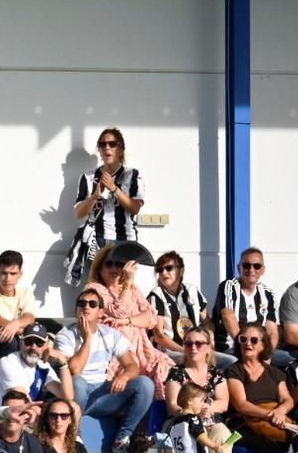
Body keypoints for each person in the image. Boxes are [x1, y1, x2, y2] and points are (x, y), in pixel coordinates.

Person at [55, 287, 153, 453]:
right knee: (77, 382)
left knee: (145, 384)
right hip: (77, 396)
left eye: (92, 304)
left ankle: (122, 439)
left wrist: (124, 376)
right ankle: (74, 437)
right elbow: (74, 370)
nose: (86, 307)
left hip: (103, 394)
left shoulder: (111, 334)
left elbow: (132, 366)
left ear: (100, 312)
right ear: (76, 309)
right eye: (82, 303)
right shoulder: (65, 335)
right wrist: (87, 339)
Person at [86, 243, 173, 384]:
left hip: (142, 349)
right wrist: (127, 283)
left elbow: (151, 318)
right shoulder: (95, 289)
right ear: (99, 268)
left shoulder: (132, 289)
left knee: (167, 370)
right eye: (109, 264)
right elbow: (118, 311)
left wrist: (128, 321)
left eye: (119, 264)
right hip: (115, 353)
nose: (114, 268)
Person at [222, 324, 297, 453]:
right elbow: (241, 405)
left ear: (263, 345)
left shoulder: (275, 373)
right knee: (268, 447)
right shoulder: (234, 371)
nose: (248, 344)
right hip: (241, 427)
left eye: (254, 340)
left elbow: (288, 400)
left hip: (273, 421)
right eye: (243, 339)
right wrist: (270, 415)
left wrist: (280, 411)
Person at [68, 127, 144, 283]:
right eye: (102, 144)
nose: (107, 148)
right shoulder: (88, 177)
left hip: (125, 239)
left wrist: (114, 188)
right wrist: (95, 196)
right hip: (97, 239)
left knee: (123, 288)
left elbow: (135, 208)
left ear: (121, 149)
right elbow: (79, 213)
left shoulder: (133, 175)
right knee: (95, 288)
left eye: (112, 144)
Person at [148, 251, 221, 366]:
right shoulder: (156, 295)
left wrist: (210, 342)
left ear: (181, 271)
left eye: (168, 268)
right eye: (160, 270)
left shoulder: (192, 290)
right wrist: (185, 350)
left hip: (197, 349)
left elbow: (207, 323)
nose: (163, 272)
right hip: (171, 352)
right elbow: (158, 336)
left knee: (230, 362)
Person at [213, 247, 283, 361]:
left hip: (259, 349)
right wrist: (244, 346)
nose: (251, 270)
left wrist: (268, 354)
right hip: (231, 348)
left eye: (257, 266)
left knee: (289, 360)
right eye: (246, 265)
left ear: (263, 270)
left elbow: (272, 330)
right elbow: (227, 316)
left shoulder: (268, 293)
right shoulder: (229, 286)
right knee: (233, 362)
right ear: (239, 268)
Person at [0, 322, 70, 406]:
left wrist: (62, 362)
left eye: (39, 343)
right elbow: (24, 403)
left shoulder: (43, 366)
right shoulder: (8, 363)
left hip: (14, 417)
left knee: (73, 407)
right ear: (21, 343)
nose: (33, 347)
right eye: (28, 342)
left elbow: (68, 397)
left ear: (46, 346)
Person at [163, 326, 229, 417]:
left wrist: (206, 409)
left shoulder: (216, 373)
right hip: (183, 423)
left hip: (211, 421)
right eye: (189, 344)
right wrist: (195, 413)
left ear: (209, 348)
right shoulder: (176, 373)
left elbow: (223, 403)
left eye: (199, 344)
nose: (193, 348)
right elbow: (173, 406)